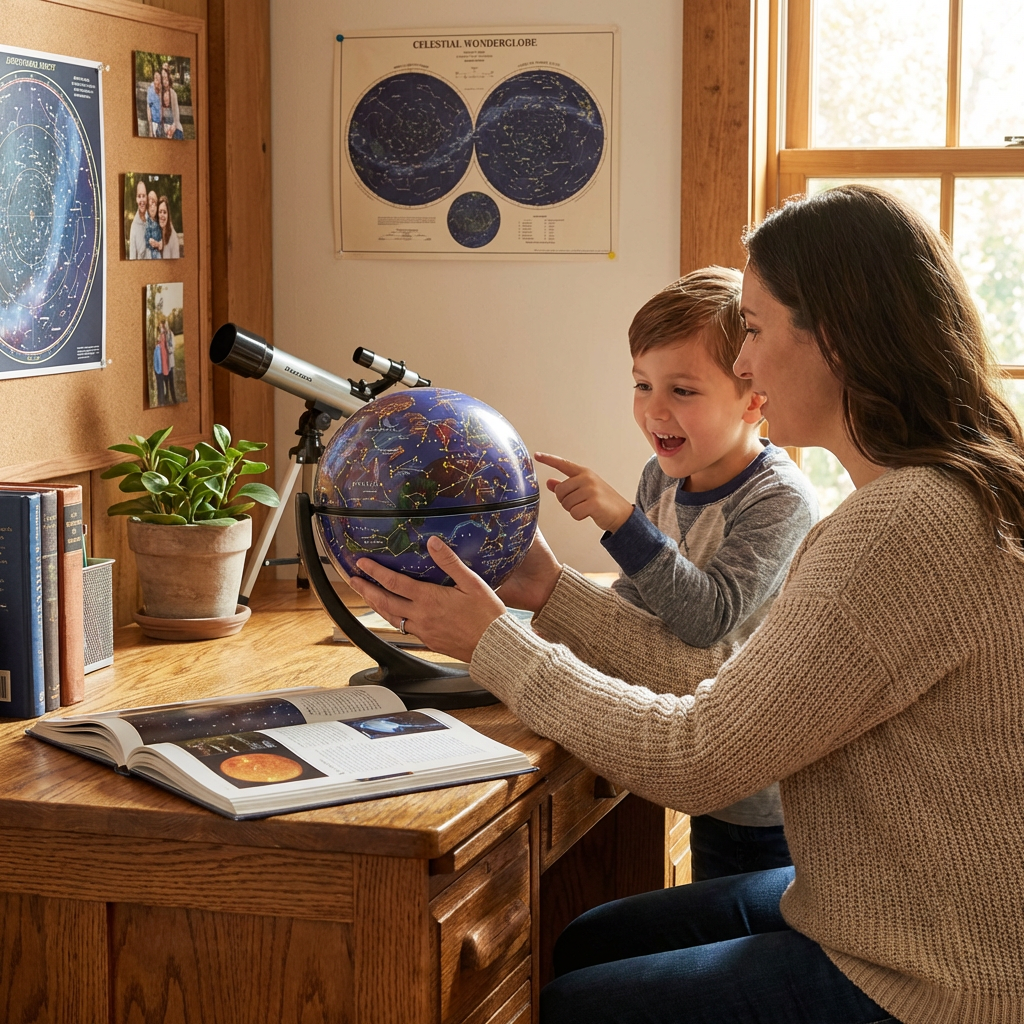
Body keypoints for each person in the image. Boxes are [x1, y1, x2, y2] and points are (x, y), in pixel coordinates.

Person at [348, 185, 1024, 1024]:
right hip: (894, 908)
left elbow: (697, 758)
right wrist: (548, 591)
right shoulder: (946, 490)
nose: (744, 365)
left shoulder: (898, 528)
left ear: (835, 338)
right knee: (588, 940)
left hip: (938, 976)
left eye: (755, 329)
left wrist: (496, 642)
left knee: (577, 1003)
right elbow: (715, 683)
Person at [536, 266, 818, 879]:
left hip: (766, 797)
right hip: (689, 759)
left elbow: (707, 618)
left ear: (755, 398)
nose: (654, 410)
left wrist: (621, 523)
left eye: (682, 391)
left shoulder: (779, 499)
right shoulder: (659, 478)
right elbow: (636, 605)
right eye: (642, 385)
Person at [127, 178, 150, 259]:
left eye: (143, 196)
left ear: (147, 197)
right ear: (136, 199)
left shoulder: (153, 220)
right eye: (139, 196)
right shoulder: (134, 227)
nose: (142, 200)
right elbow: (132, 257)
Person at [160, 65, 184, 140]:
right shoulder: (160, 93)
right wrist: (165, 128)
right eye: (163, 79)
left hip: (174, 124)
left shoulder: (173, 93)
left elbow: (176, 115)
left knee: (178, 134)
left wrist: (173, 127)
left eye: (166, 78)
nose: (165, 81)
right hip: (164, 125)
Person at [157, 195, 180, 259]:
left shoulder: (173, 237)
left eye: (164, 212)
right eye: (160, 212)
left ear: (168, 215)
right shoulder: (158, 231)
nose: (162, 215)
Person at [161, 320, 177, 403]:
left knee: (171, 381)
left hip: (170, 362)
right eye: (164, 326)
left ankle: (174, 399)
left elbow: (173, 346)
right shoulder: (162, 335)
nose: (165, 327)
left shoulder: (171, 334)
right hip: (165, 363)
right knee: (165, 381)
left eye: (166, 325)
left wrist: (169, 349)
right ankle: (167, 397)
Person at [145, 191, 162, 258]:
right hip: (151, 253)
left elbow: (163, 235)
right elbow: (147, 240)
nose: (152, 207)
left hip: (160, 251)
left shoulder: (159, 221)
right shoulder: (148, 222)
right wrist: (150, 241)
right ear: (147, 208)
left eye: (154, 205)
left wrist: (160, 243)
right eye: (150, 205)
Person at [152, 329, 167, 405]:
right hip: (160, 370)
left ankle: (161, 401)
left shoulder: (157, 349)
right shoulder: (159, 348)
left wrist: (157, 370)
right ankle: (161, 400)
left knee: (160, 386)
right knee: (160, 386)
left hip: (159, 371)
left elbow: (157, 360)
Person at [146, 67, 161, 138]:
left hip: (163, 123)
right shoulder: (150, 90)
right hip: (154, 122)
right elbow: (148, 108)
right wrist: (150, 128)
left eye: (158, 78)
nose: (156, 79)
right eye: (155, 78)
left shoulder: (164, 90)